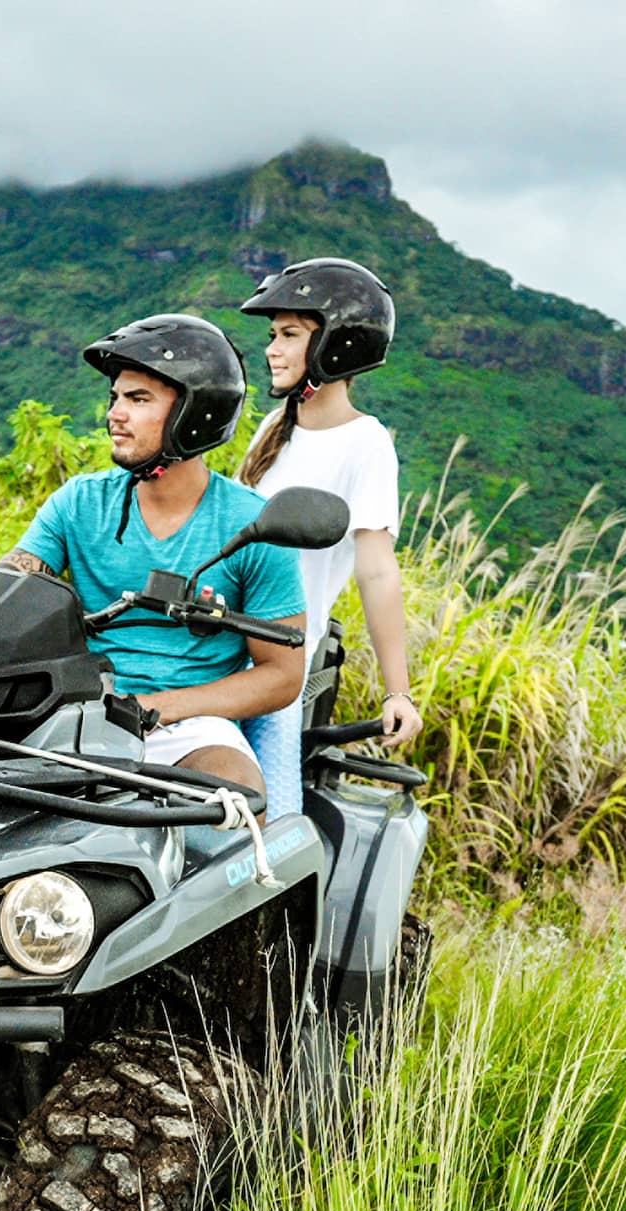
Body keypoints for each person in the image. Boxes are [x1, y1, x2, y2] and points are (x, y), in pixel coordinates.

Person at [0, 313, 306, 806]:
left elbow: (281, 675)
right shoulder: (80, 502)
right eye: (115, 398)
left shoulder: (252, 527)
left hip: (186, 726)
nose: (115, 413)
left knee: (234, 800)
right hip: (71, 704)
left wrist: (158, 707)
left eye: (138, 400)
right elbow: (10, 583)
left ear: (197, 412)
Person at [234, 259, 422, 815]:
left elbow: (377, 569)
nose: (272, 349)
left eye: (290, 335)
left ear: (337, 345)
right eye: (272, 335)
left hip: (277, 660)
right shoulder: (274, 428)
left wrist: (398, 692)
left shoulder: (365, 442)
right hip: (218, 645)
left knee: (273, 821)